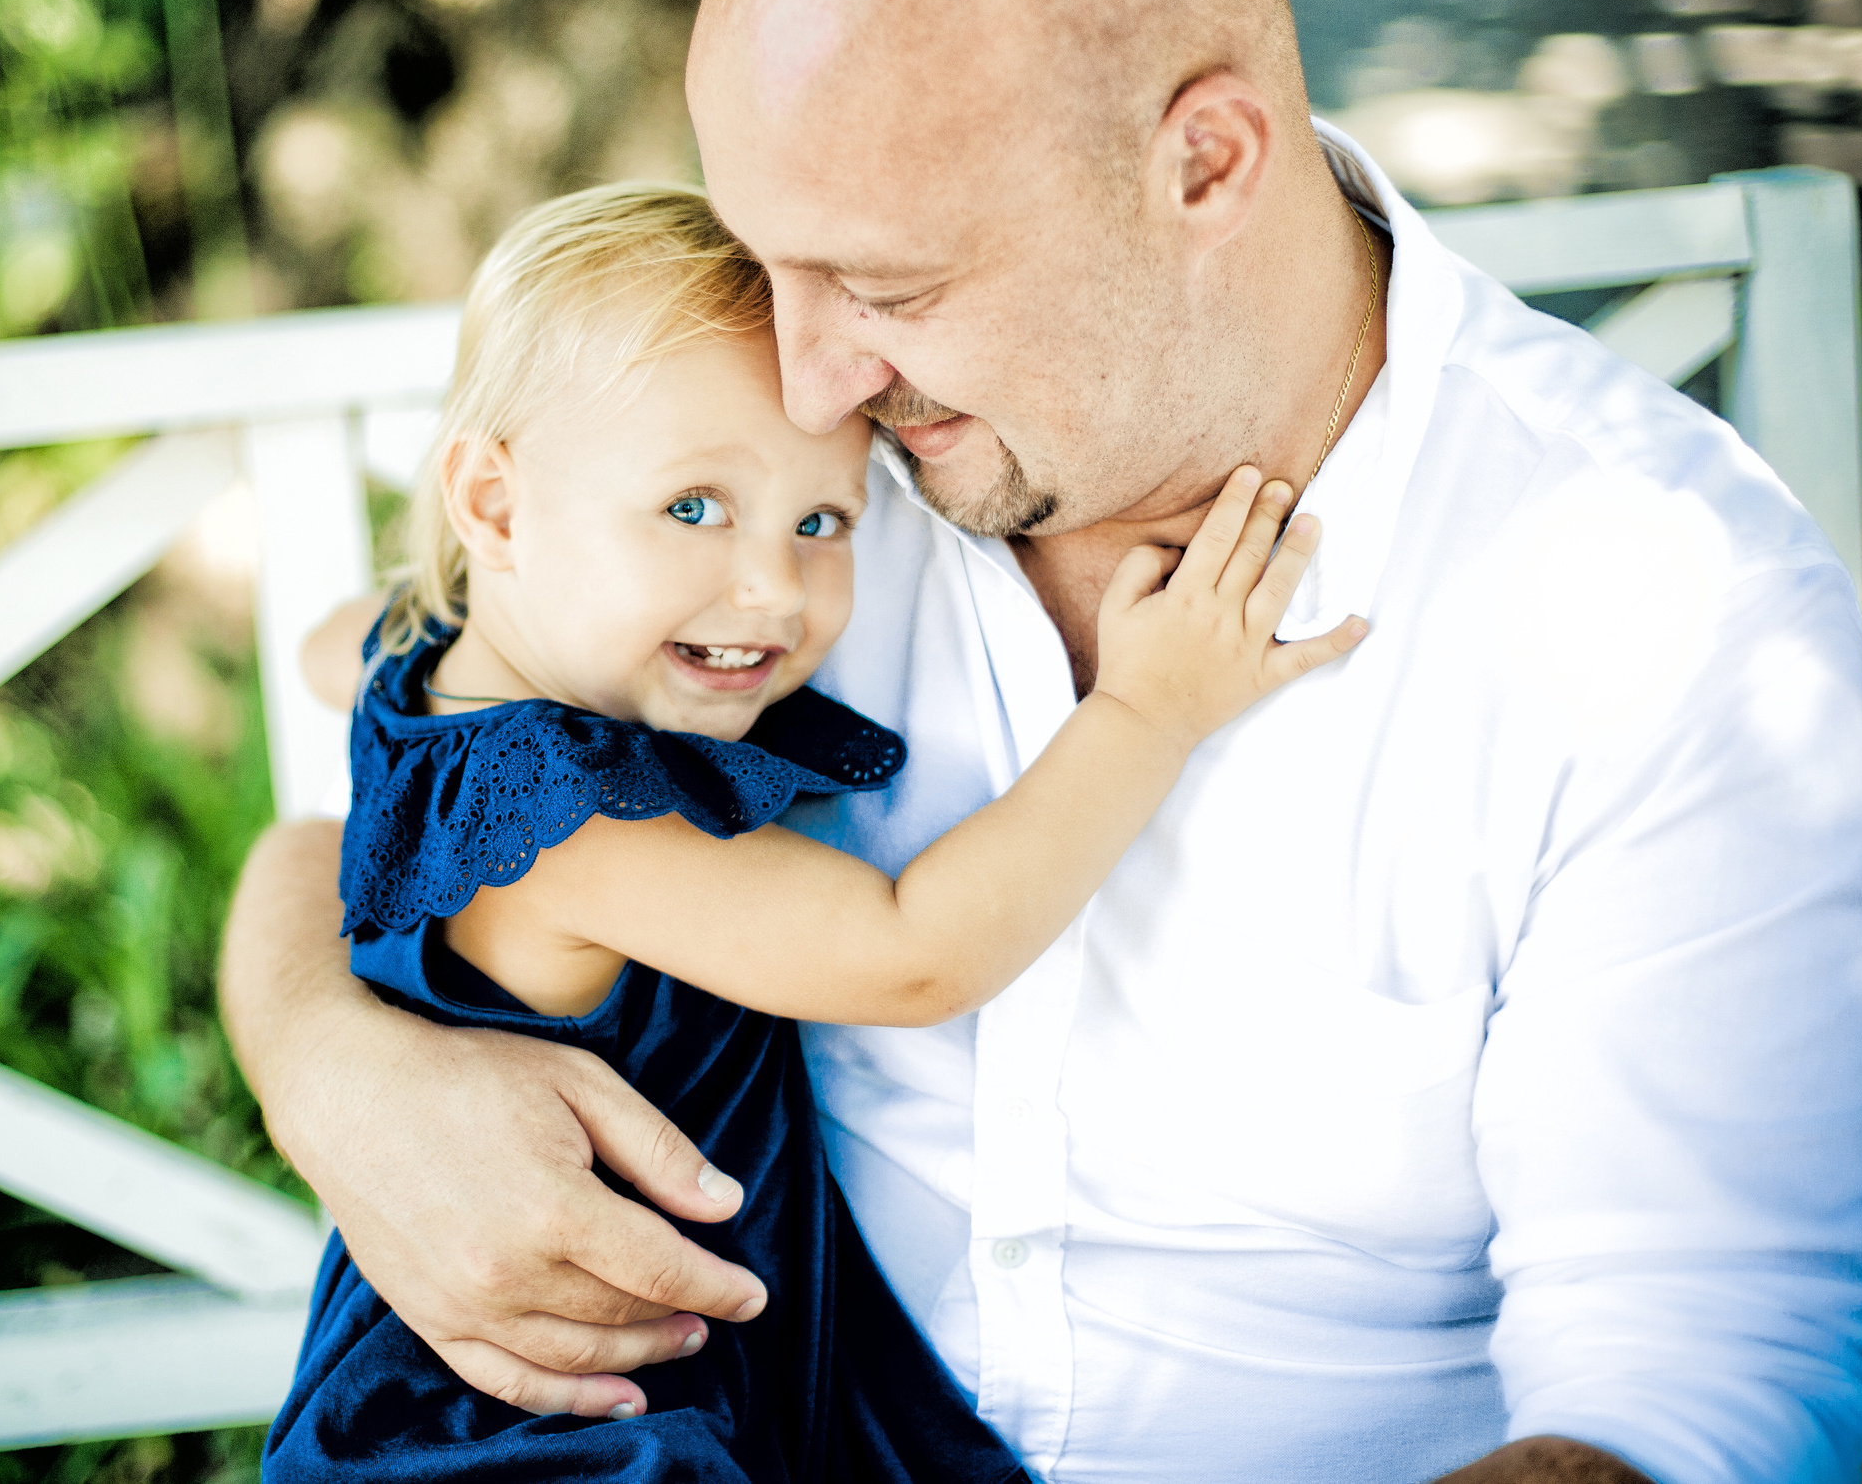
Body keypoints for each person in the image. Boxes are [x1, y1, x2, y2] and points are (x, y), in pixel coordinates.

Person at [219, 0, 1862, 1480]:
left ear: (1203, 161)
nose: (814, 379)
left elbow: (1696, 1390)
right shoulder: (763, 499)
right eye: (773, 261)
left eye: (890, 288)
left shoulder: (1642, 592)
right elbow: (377, 768)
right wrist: (336, 1070)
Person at [262, 180, 1361, 1480]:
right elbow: (913, 952)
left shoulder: (435, 668)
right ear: (493, 507)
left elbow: (336, 646)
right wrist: (1144, 709)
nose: (773, 587)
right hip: (565, 1426)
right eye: (692, 507)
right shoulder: (569, 819)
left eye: (821, 520)